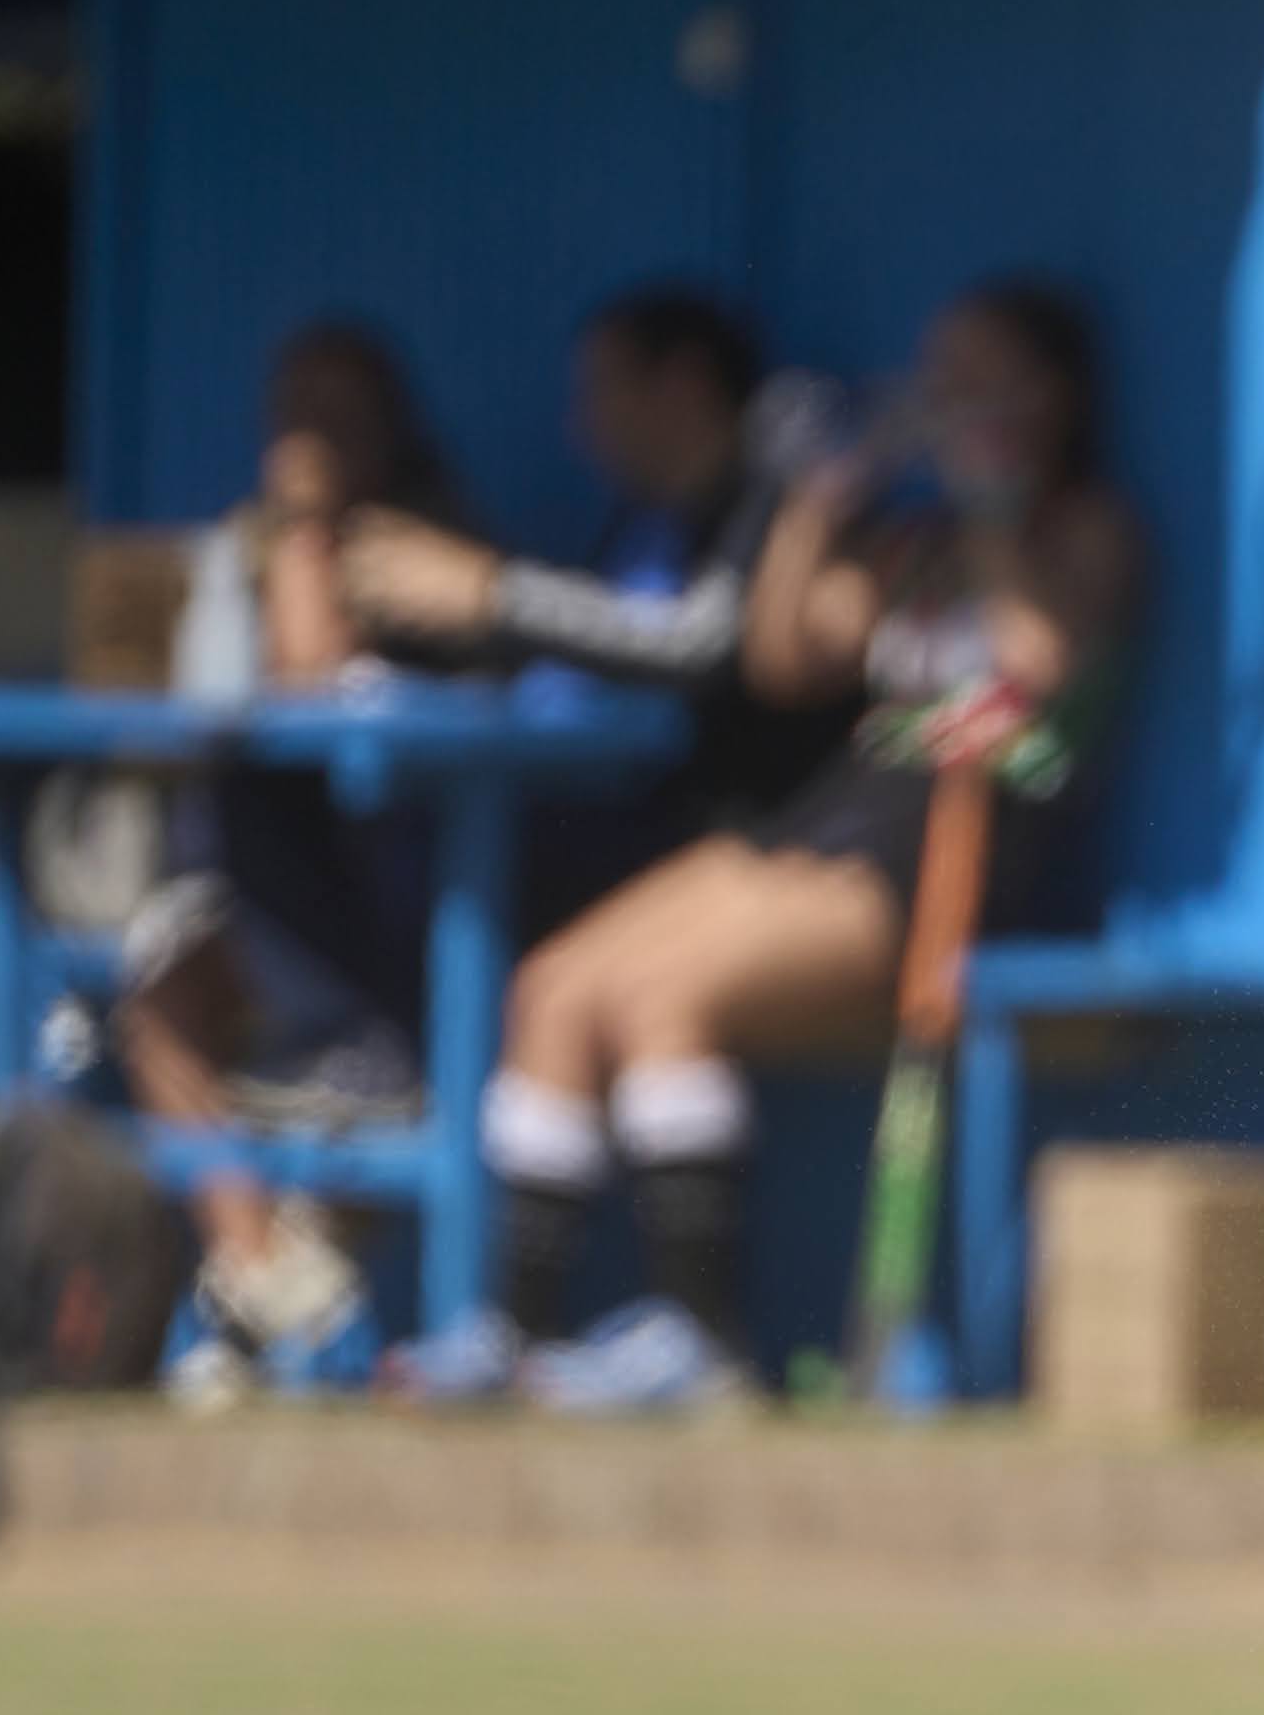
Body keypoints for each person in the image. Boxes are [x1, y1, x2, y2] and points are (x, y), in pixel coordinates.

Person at [381, 279, 1135, 1412]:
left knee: (660, 997)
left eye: (977, 378)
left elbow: (1033, 658)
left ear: (1052, 393)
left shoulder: (1087, 531)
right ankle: (509, 1333)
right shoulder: (917, 545)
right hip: (832, 820)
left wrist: (989, 498)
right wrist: (815, 504)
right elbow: (783, 653)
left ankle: (703, 1341)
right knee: (554, 987)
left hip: (948, 855)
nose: (946, 399)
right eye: (939, 376)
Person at [117, 322, 463, 1401]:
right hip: (273, 913)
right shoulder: (248, 541)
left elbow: (311, 670)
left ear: (386, 431)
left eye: (335, 416)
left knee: (367, 1094)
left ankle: (260, 1311)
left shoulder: (426, 544)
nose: (305, 439)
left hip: (407, 928)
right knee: (160, 998)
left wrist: (309, 519)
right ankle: (260, 1277)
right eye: (293, 413)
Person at [334, 283, 845, 927]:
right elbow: (576, 659)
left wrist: (495, 593)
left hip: (763, 837)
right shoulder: (646, 520)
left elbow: (703, 642)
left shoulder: (767, 495)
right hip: (633, 816)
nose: (583, 424)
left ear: (683, 383)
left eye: (602, 390)